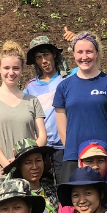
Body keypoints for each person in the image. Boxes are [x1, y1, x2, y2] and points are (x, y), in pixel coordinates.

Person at [53, 32, 107, 183]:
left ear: (97, 53)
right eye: (80, 52)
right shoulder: (64, 86)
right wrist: (71, 150)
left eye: (89, 52)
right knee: (71, 202)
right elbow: (61, 127)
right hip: (74, 155)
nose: (84, 57)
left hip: (106, 155)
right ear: (73, 54)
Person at [0, 41, 46, 188]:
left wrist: (22, 162)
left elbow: (42, 138)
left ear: (21, 70)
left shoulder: (32, 101)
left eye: (16, 68)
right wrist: (8, 165)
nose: (11, 72)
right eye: (6, 68)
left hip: (28, 174)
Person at [25, 36, 70, 179]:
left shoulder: (67, 79)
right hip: (43, 149)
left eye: (46, 55)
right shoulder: (31, 87)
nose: (43, 61)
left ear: (54, 54)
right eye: (38, 57)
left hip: (64, 146)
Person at [3, 139, 59, 213]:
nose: (35, 166)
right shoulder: (13, 194)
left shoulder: (52, 188)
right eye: (28, 163)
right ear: (19, 167)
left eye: (38, 160)